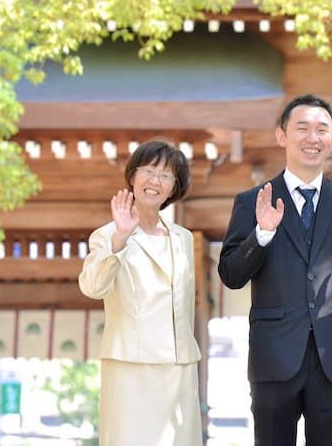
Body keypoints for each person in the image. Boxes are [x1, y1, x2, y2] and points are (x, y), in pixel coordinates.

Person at [217, 93, 332, 446]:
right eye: (302, 128)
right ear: (282, 136)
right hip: (274, 356)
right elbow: (230, 275)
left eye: (322, 130)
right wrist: (263, 233)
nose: (312, 138)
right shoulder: (252, 201)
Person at [77, 138, 201, 446]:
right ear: (132, 177)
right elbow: (92, 286)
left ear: (174, 187)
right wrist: (120, 237)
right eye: (148, 170)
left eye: (165, 175)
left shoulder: (183, 238)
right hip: (131, 365)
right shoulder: (107, 234)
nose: (154, 181)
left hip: (179, 366)